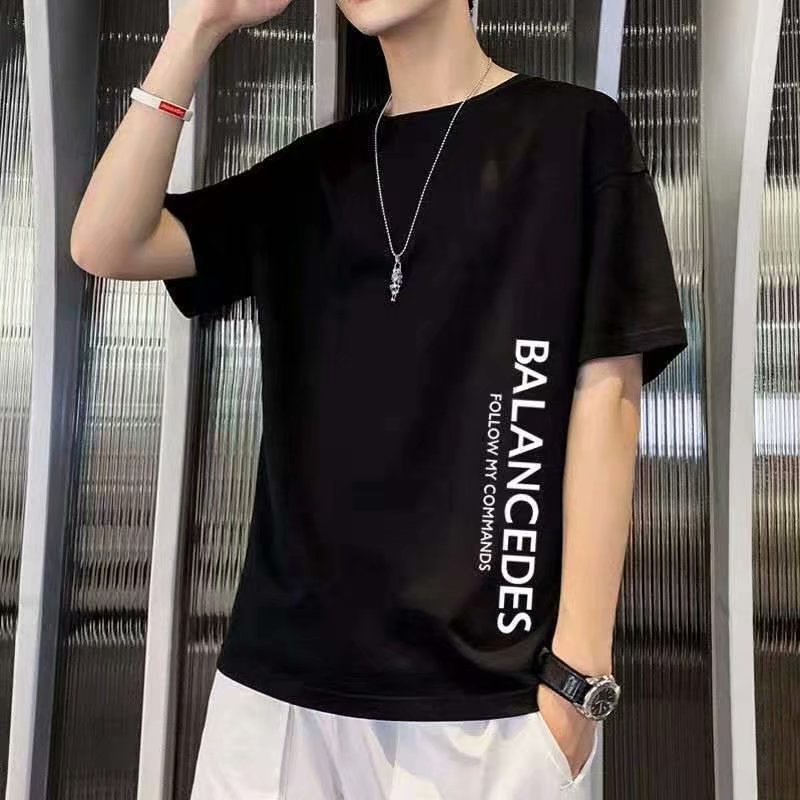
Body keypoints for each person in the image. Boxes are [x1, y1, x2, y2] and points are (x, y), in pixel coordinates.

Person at [70, 0, 689, 797]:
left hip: (486, 700)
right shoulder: (313, 175)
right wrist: (196, 31)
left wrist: (580, 677)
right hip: (278, 695)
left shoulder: (573, 134)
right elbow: (108, 241)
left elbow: (607, 398)